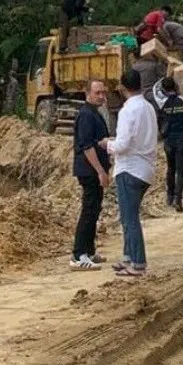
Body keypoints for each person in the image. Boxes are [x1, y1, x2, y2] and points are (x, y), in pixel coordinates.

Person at [102, 69, 158, 277]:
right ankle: (128, 255)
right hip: (145, 168)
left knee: (129, 217)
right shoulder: (148, 108)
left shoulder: (128, 111)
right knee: (128, 216)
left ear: (122, 87)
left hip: (130, 169)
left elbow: (123, 145)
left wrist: (107, 144)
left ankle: (138, 263)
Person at [70, 80, 111, 271]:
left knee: (94, 209)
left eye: (103, 92)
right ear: (87, 93)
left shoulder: (95, 113)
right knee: (89, 210)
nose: (101, 96)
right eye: (97, 92)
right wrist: (100, 171)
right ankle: (78, 255)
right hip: (89, 170)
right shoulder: (86, 115)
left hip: (94, 169)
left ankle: (89, 249)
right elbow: (87, 147)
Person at [159, 77, 183, 212]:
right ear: (176, 87)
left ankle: (169, 196)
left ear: (163, 90)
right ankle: (178, 200)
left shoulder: (163, 104)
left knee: (171, 169)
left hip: (169, 141)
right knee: (181, 170)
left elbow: (161, 123)